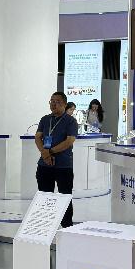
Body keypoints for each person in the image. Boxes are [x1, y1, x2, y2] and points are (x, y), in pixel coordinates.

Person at [34, 92, 79, 228]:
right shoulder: (45, 119)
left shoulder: (70, 121)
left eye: (57, 101)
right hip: (44, 164)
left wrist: (50, 152)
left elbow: (69, 141)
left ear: (64, 104)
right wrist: (44, 154)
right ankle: (44, 225)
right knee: (44, 196)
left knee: (65, 197)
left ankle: (67, 226)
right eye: (51, 101)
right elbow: (38, 137)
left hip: (63, 165)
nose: (53, 104)